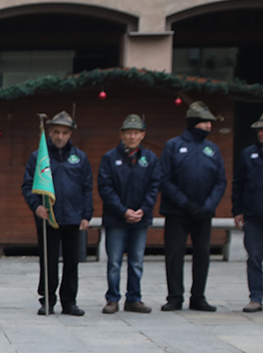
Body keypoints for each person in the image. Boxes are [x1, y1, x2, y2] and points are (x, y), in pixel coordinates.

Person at [22, 111, 93, 316]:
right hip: (48, 218)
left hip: (73, 217)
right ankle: (48, 300)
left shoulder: (80, 157)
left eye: (64, 132)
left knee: (72, 262)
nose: (60, 136)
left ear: (70, 134)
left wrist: (86, 215)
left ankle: (69, 301)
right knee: (48, 261)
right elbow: (28, 186)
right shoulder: (39, 157)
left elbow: (87, 187)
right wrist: (36, 206)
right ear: (50, 133)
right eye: (56, 132)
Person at [158, 100, 227, 312]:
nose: (209, 126)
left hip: (204, 214)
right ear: (195, 122)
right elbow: (164, 180)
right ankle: (175, 297)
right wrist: (186, 204)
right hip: (177, 212)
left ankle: (198, 297)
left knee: (202, 255)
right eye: (206, 122)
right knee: (174, 254)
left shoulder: (212, 149)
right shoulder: (173, 146)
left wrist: (209, 206)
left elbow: (220, 181)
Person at [98, 114, 160, 314]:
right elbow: (105, 188)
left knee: (136, 262)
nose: (132, 136)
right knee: (114, 261)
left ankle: (134, 298)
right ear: (121, 135)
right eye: (128, 133)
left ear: (143, 135)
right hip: (116, 218)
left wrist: (144, 209)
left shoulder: (150, 158)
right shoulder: (109, 158)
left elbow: (154, 186)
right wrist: (123, 211)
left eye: (136, 133)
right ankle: (112, 298)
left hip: (141, 218)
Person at [232, 116, 263, 313]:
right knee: (254, 258)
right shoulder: (248, 154)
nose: (261, 134)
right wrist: (237, 211)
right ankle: (256, 297)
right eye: (259, 130)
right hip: (253, 216)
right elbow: (238, 184)